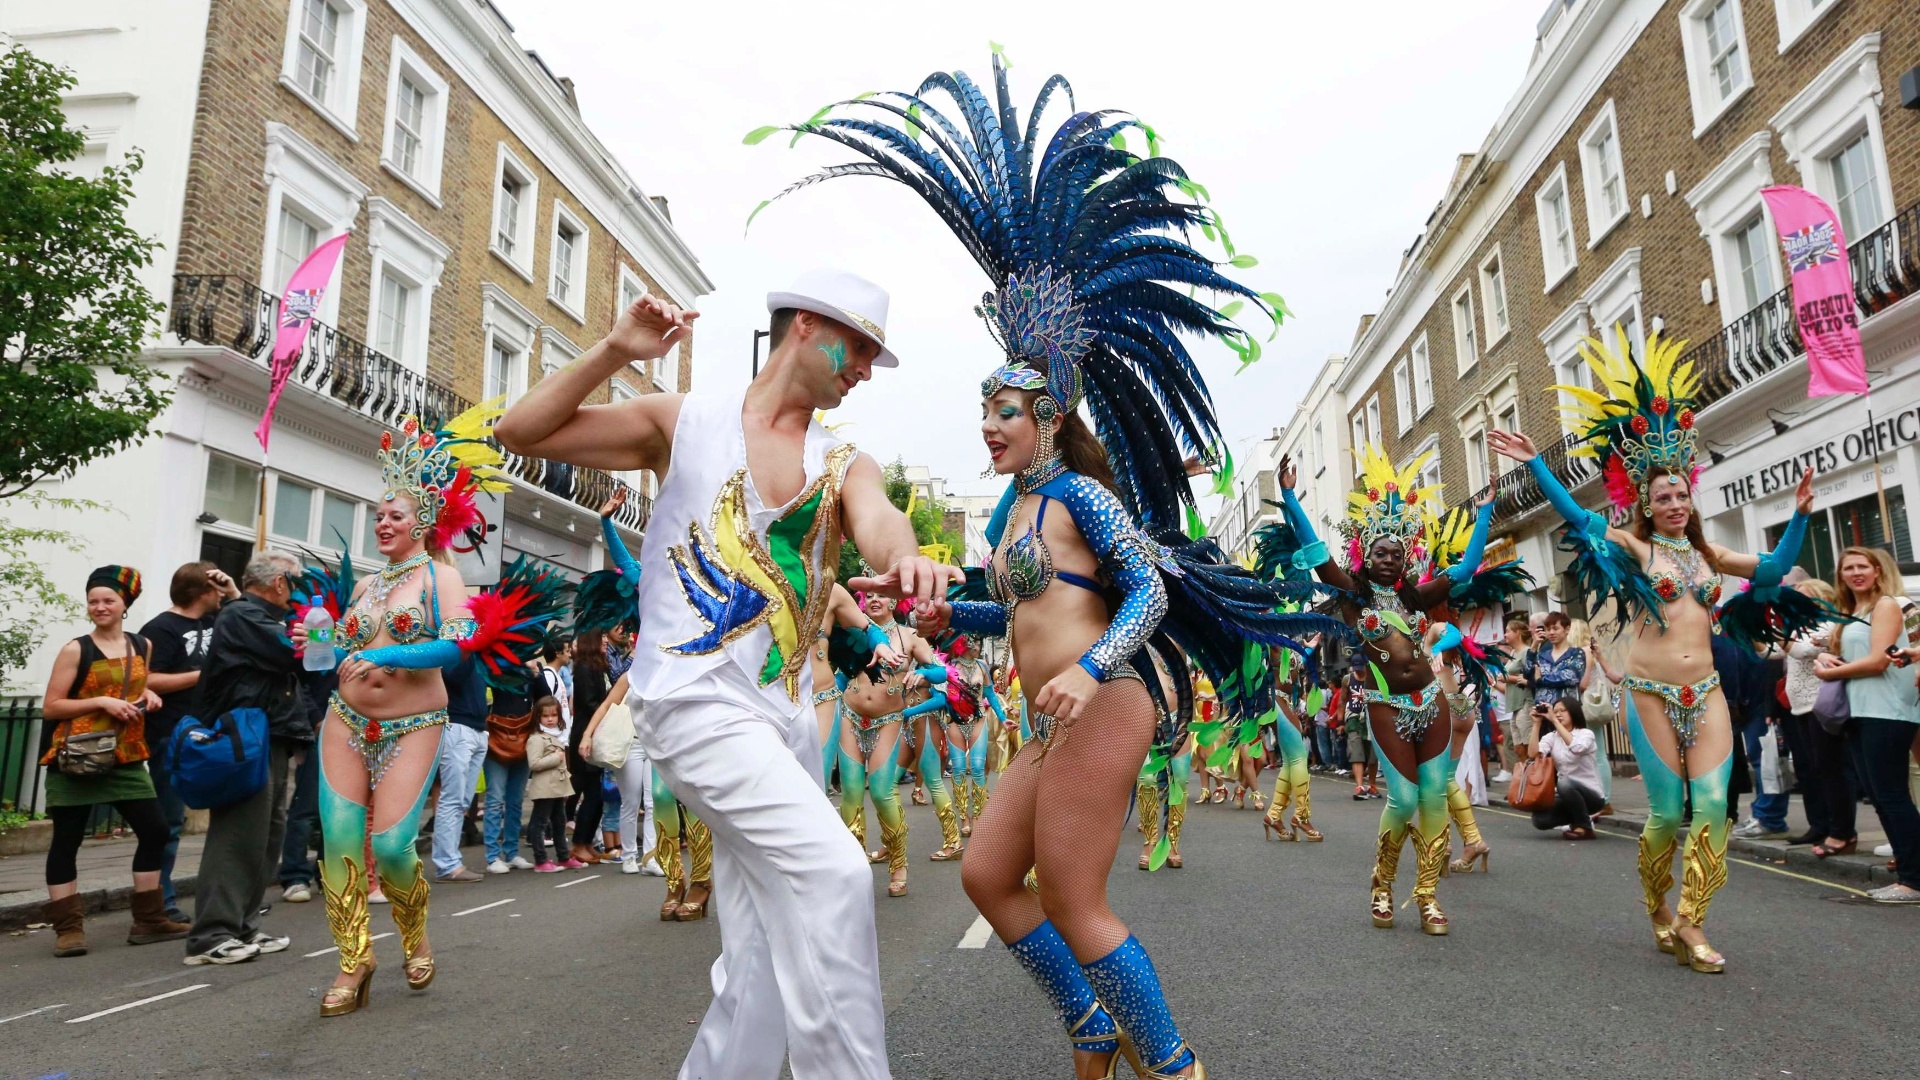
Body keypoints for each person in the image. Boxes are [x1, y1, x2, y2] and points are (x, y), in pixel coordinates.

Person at [776, 53, 1351, 1077]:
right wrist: (953, 612)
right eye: (984, 410)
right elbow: (1022, 618)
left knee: (1075, 900)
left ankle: (1170, 1063)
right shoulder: (1017, 515)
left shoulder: (1081, 496)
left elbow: (1149, 589)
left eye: (1003, 411)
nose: (987, 426)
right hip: (1052, 715)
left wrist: (1091, 670)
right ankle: (1094, 1030)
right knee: (992, 876)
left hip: (1104, 702)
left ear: (1045, 416)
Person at [497, 260, 955, 1078]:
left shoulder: (846, 461)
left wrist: (909, 557)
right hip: (695, 699)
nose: (860, 374)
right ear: (806, 326)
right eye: (855, 350)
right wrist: (615, 349)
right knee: (835, 874)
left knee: (763, 942)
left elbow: (881, 524)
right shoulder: (684, 420)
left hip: (783, 720)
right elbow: (520, 432)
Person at [1490, 327, 1820, 973]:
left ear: (1690, 500)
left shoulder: (1707, 553)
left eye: (1680, 495)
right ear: (1645, 502)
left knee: (1715, 812)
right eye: (1662, 496)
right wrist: (1535, 465)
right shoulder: (1634, 548)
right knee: (1668, 814)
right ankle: (1657, 908)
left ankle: (1693, 921)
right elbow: (1582, 523)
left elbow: (1777, 567)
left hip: (1709, 695)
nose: (1673, 503)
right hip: (1649, 694)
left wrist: (1804, 512)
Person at [313, 405, 567, 1016]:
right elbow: (335, 656)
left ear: (422, 522)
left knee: (395, 847)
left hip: (415, 725)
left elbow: (456, 645)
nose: (382, 523)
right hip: (343, 722)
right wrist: (314, 642)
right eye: (378, 515)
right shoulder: (367, 586)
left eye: (394, 515)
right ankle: (354, 962)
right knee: (341, 843)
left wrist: (386, 653)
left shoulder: (440, 580)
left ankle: (414, 938)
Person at [37, 566, 185, 958]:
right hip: (77, 757)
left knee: (155, 830)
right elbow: (51, 706)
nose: (100, 607)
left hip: (126, 756)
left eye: (108, 600)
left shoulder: (142, 646)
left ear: (125, 604)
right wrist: (101, 701)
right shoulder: (76, 649)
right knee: (66, 841)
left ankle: (149, 920)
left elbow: (136, 686)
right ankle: (68, 930)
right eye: (93, 601)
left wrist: (148, 697)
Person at [186, 549, 311, 964]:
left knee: (264, 838)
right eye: (295, 583)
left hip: (270, 736)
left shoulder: (249, 613)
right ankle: (211, 934)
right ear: (278, 583)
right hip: (248, 738)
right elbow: (289, 653)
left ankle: (242, 926)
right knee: (238, 836)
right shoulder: (242, 616)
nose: (297, 593)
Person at [1817, 547, 1920, 903]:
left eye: (1863, 566)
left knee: (1891, 795)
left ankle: (1914, 880)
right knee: (1879, 797)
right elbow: (1862, 658)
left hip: (1889, 710)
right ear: (1841, 575)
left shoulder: (1886, 605)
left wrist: (1827, 671)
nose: (1856, 573)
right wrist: (1828, 656)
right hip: (1860, 711)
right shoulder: (1851, 612)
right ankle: (1907, 873)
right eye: (1849, 568)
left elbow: (1879, 662)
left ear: (1878, 570)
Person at [140, 561, 239, 921]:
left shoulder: (218, 621)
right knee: (168, 822)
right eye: (217, 590)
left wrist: (233, 591)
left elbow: (248, 624)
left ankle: (229, 899)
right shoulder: (160, 628)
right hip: (172, 735)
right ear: (202, 592)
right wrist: (203, 675)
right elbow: (147, 680)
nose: (221, 596)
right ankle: (161, 901)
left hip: (214, 733)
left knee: (230, 818)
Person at [1775, 579, 1841, 847]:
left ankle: (1835, 827)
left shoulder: (1829, 624)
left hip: (1820, 703)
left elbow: (1803, 651)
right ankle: (1818, 824)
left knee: (1826, 767)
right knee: (1806, 768)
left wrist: (1778, 633)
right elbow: (1773, 654)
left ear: (1822, 598)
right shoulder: (1798, 626)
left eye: (1804, 597)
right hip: (1797, 705)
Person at [431, 653, 490, 882]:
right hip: (457, 727)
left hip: (476, 729)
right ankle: (447, 865)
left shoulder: (474, 651)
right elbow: (451, 677)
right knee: (452, 799)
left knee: (463, 801)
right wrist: (469, 649)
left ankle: (452, 861)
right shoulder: (453, 648)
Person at [1528, 698, 1606, 838]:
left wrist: (1554, 721)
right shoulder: (1551, 737)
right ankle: (1578, 820)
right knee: (1539, 819)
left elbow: (1576, 748)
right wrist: (1536, 725)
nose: (1558, 714)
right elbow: (1533, 754)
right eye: (1555, 711)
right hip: (1566, 794)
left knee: (1564, 784)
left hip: (1592, 796)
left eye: (1562, 711)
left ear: (1574, 712)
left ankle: (1584, 828)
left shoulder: (1586, 734)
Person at [482, 676, 534, 874]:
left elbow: (544, 696)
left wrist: (534, 673)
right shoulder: (495, 667)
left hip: (523, 738)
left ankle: (511, 852)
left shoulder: (531, 670)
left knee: (516, 799)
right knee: (494, 798)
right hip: (497, 738)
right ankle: (493, 855)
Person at [525, 696, 573, 871]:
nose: (550, 719)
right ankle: (541, 860)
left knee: (560, 822)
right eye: (546, 716)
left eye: (554, 715)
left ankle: (563, 856)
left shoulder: (558, 736)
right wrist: (555, 757)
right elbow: (534, 763)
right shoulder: (536, 738)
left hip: (558, 787)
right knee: (540, 824)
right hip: (544, 788)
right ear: (538, 717)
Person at [1499, 615, 1534, 775]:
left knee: (1528, 742)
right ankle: (1524, 779)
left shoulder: (1526, 652)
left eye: (1508, 631)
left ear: (1518, 632)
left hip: (1525, 702)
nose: (1505, 634)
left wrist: (1508, 678)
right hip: (1514, 704)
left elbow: (1530, 677)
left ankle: (1533, 778)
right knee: (1518, 744)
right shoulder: (1513, 652)